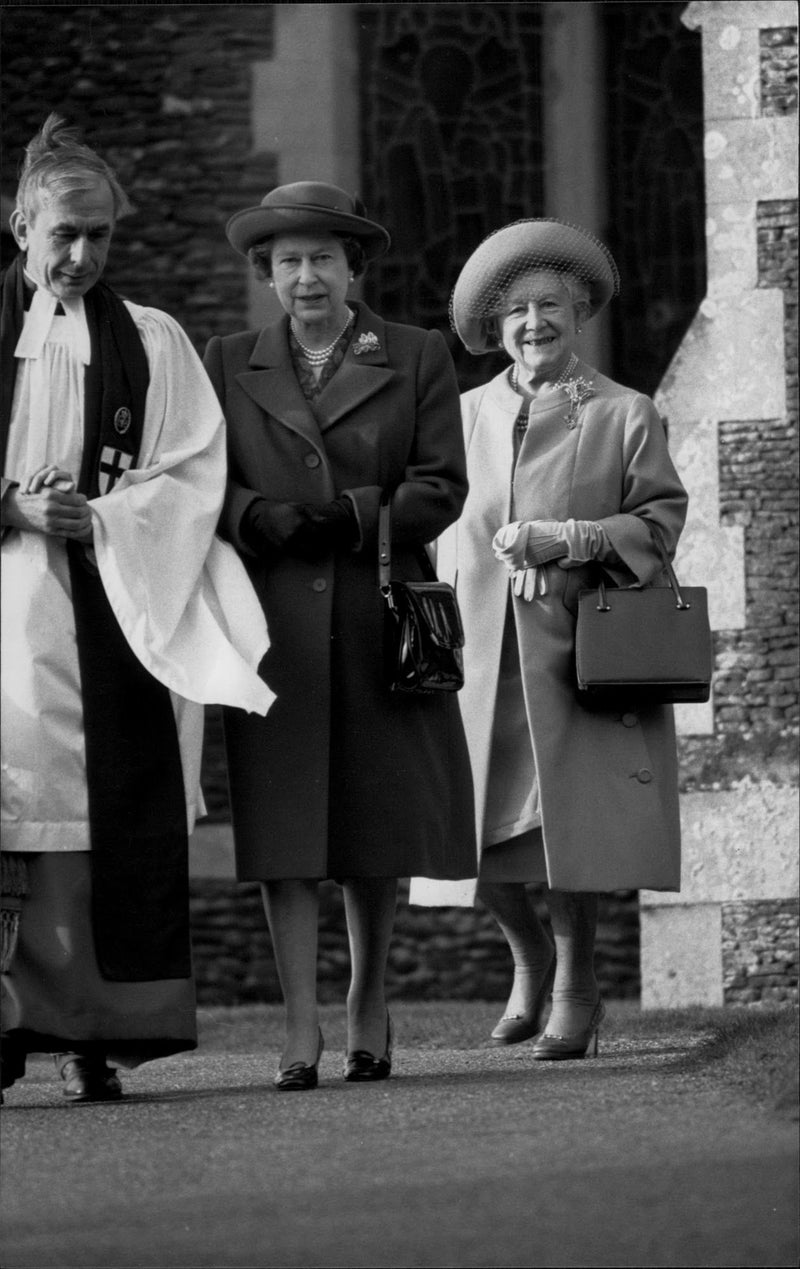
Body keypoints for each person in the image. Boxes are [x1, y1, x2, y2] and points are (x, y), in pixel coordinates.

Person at [0, 115, 273, 1103]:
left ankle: (90, 1033)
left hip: (111, 609)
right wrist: (13, 505)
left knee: (90, 825)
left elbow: (194, 472)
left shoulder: (151, 342)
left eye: (99, 236)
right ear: (19, 227)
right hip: (4, 616)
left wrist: (106, 516)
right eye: (61, 234)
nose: (79, 256)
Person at [204, 181, 475, 1090]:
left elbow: (443, 483)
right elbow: (198, 484)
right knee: (284, 829)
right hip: (271, 624)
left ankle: (366, 1003)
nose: (307, 275)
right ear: (267, 275)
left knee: (371, 821)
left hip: (374, 611)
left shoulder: (415, 353)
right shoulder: (226, 359)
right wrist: (255, 516)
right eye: (288, 261)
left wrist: (355, 515)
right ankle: (296, 1022)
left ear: (353, 267)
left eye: (324, 258)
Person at [411, 219, 688, 1058]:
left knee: (568, 831)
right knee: (470, 830)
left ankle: (576, 982)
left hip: (576, 658)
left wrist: (570, 541)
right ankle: (526, 952)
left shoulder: (625, 414)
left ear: (580, 315)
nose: (534, 322)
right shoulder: (457, 416)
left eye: (552, 306)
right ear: (496, 329)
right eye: (518, 310)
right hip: (474, 654)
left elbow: (660, 524)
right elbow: (432, 523)